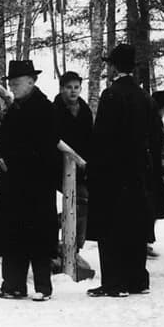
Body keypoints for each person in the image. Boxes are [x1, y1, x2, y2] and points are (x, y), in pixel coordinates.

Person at [86, 44, 158, 298]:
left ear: (114, 66)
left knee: (111, 226)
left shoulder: (111, 95)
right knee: (136, 226)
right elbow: (154, 136)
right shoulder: (144, 97)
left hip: (113, 173)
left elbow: (102, 137)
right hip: (138, 172)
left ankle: (114, 283)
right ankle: (137, 279)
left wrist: (95, 168)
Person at [0, 60, 60, 301]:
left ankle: (43, 288)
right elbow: (4, 137)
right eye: (12, 83)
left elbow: (46, 145)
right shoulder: (15, 107)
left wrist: (13, 157)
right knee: (13, 236)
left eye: (17, 83)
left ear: (32, 81)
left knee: (38, 238)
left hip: (36, 184)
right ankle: (13, 285)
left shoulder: (44, 109)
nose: (14, 87)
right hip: (15, 183)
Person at [53, 71, 93, 253]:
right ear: (61, 89)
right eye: (69, 87)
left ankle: (75, 246)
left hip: (81, 166)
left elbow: (89, 138)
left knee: (83, 201)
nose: (73, 91)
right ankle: (55, 240)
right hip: (56, 165)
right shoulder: (54, 110)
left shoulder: (85, 111)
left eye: (76, 87)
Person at [146, 89, 164, 258]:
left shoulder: (156, 121)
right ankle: (142, 241)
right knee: (150, 208)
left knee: (154, 208)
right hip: (150, 171)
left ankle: (145, 241)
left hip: (153, 170)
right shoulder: (152, 122)